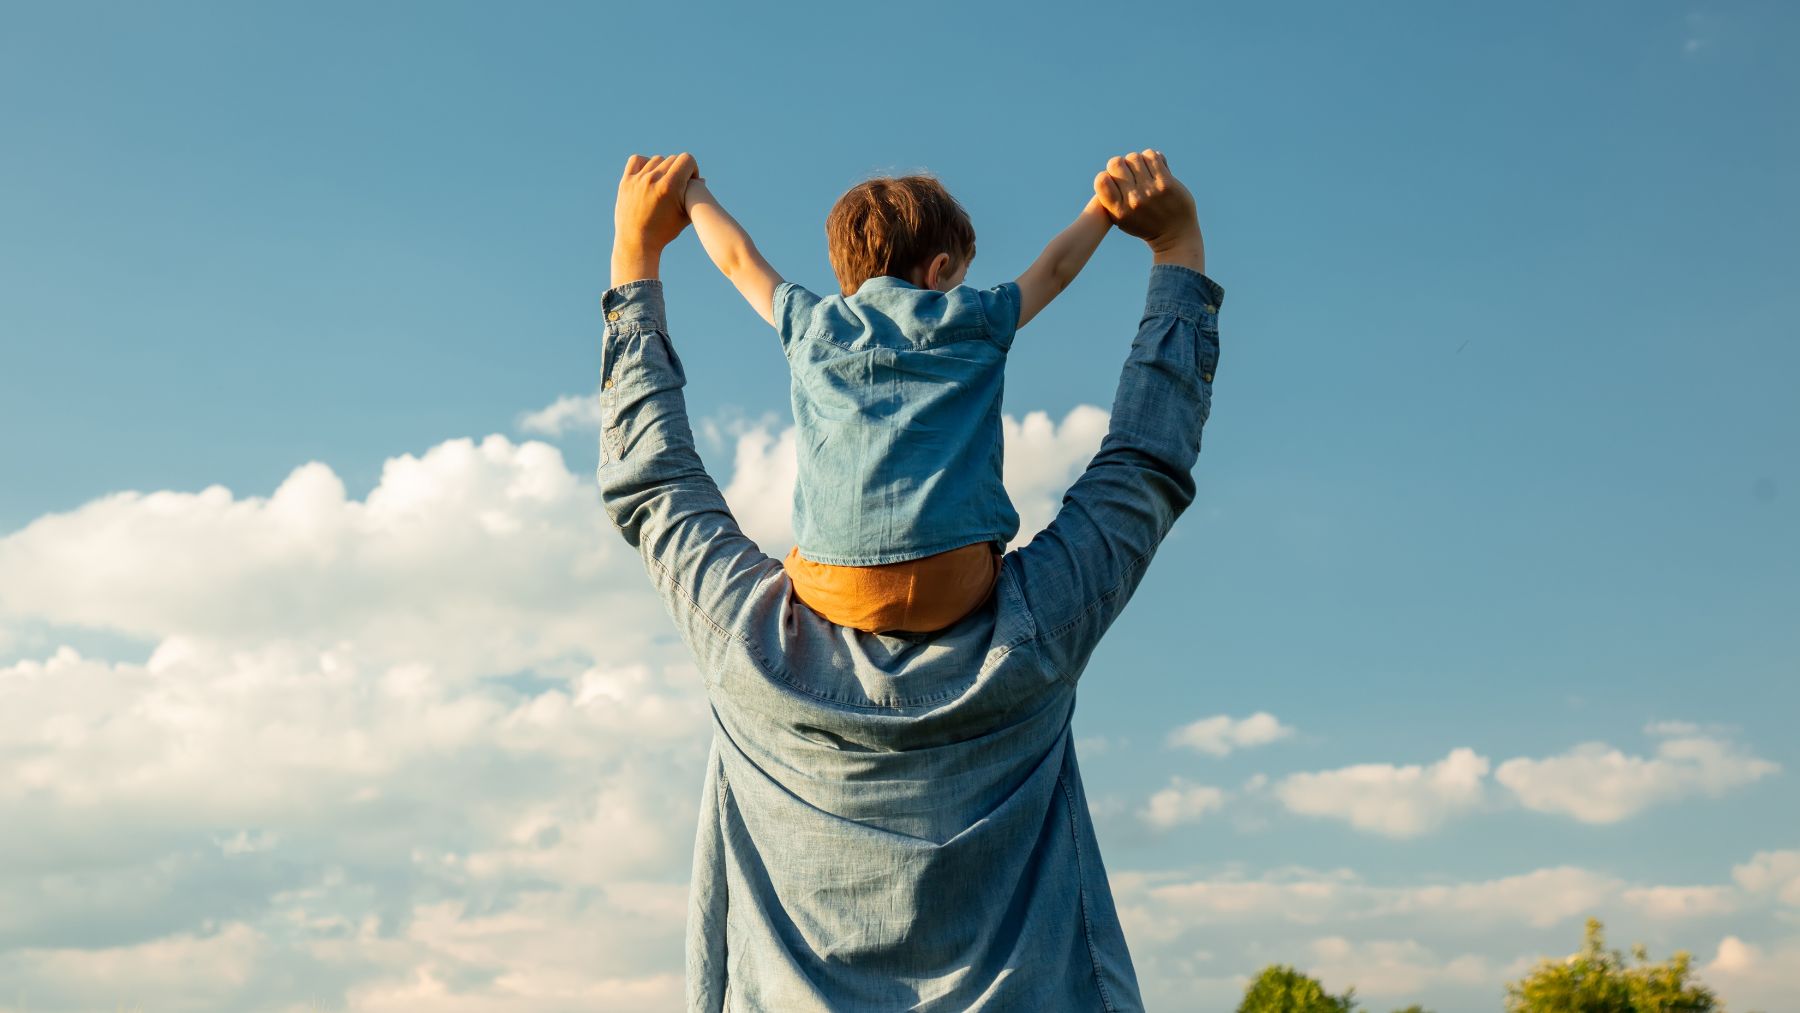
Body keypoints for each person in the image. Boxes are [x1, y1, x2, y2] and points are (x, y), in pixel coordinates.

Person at [600, 149, 1222, 1012]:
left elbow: (654, 480)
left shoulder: (747, 646)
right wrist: (1176, 247)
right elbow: (1145, 465)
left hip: (825, 591)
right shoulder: (1033, 637)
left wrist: (639, 252)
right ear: (942, 268)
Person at [682, 170, 1112, 633]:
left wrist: (691, 191)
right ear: (938, 269)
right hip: (957, 584)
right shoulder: (976, 317)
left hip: (837, 589)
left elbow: (737, 260)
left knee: (790, 563)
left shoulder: (811, 324)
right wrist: (1103, 208)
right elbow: (1055, 270)